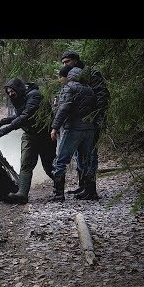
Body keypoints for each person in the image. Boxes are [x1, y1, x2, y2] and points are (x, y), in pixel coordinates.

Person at [0, 78, 56, 204]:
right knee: (26, 164)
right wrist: (6, 120)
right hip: (30, 134)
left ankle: (59, 190)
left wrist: (8, 128)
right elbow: (21, 114)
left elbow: (28, 114)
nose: (10, 94)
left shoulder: (34, 95)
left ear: (18, 88)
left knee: (49, 166)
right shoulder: (20, 97)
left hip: (44, 134)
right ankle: (22, 194)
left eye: (12, 91)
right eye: (8, 92)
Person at [60, 50, 110, 199]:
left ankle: (91, 189)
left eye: (67, 62)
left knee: (90, 155)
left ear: (75, 61)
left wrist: (98, 118)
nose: (64, 65)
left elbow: (101, 96)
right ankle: (83, 186)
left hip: (92, 121)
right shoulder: (71, 76)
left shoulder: (90, 73)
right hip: (77, 122)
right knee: (78, 154)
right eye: (63, 63)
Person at [50, 65, 97, 202]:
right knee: (86, 161)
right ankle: (89, 192)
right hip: (89, 130)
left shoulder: (69, 88)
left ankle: (58, 194)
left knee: (61, 161)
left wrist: (54, 127)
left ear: (69, 76)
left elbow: (63, 109)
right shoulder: (90, 89)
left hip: (74, 129)